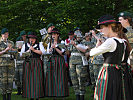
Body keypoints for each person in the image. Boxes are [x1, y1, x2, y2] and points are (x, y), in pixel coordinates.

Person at [85, 15, 126, 100]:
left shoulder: (110, 41)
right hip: (117, 72)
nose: (100, 31)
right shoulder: (122, 42)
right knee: (115, 94)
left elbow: (92, 53)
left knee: (105, 95)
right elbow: (121, 59)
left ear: (109, 26)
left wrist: (96, 45)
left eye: (102, 28)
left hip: (108, 73)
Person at [20, 31, 45, 100]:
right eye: (30, 38)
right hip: (28, 63)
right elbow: (21, 55)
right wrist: (27, 52)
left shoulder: (39, 44)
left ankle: (37, 96)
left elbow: (42, 52)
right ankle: (30, 95)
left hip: (37, 63)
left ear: (35, 39)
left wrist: (33, 50)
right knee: (29, 80)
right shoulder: (25, 45)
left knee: (37, 80)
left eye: (33, 38)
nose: (32, 40)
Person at [45, 28, 69, 99]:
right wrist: (50, 50)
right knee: (52, 77)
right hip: (52, 60)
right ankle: (53, 94)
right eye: (52, 34)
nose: (53, 35)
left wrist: (55, 48)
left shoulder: (61, 42)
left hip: (59, 60)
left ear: (58, 35)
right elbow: (48, 53)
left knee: (60, 76)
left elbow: (63, 54)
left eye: (54, 34)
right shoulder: (50, 43)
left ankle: (62, 94)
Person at [69, 32, 89, 100]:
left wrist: (75, 45)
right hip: (72, 62)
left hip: (80, 61)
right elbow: (68, 52)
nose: (77, 36)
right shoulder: (72, 41)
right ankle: (77, 95)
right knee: (73, 78)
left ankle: (82, 95)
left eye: (78, 34)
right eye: (76, 35)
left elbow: (85, 50)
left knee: (81, 78)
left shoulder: (84, 42)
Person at [0, 28, 16, 100]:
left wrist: (13, 50)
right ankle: (4, 96)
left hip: (10, 64)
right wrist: (4, 51)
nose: (6, 35)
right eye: (5, 34)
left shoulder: (11, 43)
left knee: (10, 80)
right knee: (3, 81)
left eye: (7, 34)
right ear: (2, 35)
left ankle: (9, 96)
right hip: (2, 65)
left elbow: (16, 52)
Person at [14, 31, 27, 95]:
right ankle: (18, 90)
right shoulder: (15, 47)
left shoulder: (26, 45)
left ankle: (23, 91)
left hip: (23, 63)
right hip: (17, 64)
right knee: (17, 78)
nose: (24, 37)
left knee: (23, 78)